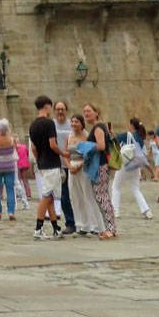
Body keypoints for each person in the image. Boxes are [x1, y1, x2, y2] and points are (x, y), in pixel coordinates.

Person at [29, 95, 67, 240]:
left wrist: (38, 160)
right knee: (46, 197)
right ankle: (38, 228)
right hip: (51, 162)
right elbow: (52, 144)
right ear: (47, 106)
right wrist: (62, 153)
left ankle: (55, 228)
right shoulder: (49, 123)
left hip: (42, 163)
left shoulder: (32, 125)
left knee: (49, 196)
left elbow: (33, 148)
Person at [82, 102, 117, 239]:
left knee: (101, 196)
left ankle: (110, 228)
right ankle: (110, 227)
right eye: (84, 111)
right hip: (101, 165)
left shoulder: (98, 127)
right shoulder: (99, 126)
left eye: (89, 111)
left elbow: (101, 146)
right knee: (103, 196)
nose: (86, 114)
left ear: (96, 112)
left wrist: (85, 147)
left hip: (100, 165)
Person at [66, 112, 104, 236]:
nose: (74, 124)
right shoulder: (69, 137)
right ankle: (82, 224)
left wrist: (80, 165)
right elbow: (66, 154)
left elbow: (89, 154)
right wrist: (69, 166)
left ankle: (95, 225)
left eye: (76, 122)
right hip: (72, 167)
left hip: (83, 167)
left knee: (88, 195)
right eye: (72, 121)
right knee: (75, 197)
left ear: (82, 124)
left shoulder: (87, 136)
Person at [111, 117, 153, 220]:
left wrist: (111, 133)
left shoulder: (127, 135)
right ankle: (147, 211)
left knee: (116, 186)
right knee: (135, 189)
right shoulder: (140, 137)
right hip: (136, 166)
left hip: (125, 165)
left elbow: (114, 140)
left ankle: (115, 211)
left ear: (131, 125)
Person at [52, 101, 75, 232]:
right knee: (64, 197)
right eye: (58, 109)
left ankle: (83, 222)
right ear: (54, 111)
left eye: (63, 109)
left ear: (66, 110)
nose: (60, 112)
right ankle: (70, 223)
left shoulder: (72, 125)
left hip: (73, 164)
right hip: (59, 166)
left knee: (77, 196)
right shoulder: (52, 125)